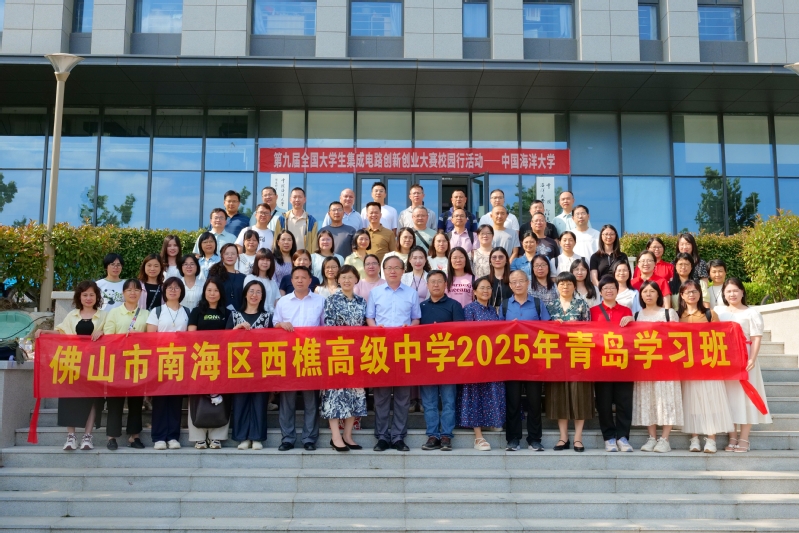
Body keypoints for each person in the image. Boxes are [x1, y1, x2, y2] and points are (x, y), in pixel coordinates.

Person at [37, 280, 105, 451]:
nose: (88, 298)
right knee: (69, 398)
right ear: (79, 297)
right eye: (85, 295)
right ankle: (71, 436)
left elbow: (112, 334)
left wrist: (103, 332)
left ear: (97, 297)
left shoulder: (104, 316)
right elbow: (62, 332)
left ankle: (88, 436)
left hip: (94, 364)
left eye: (91, 294)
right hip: (72, 363)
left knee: (92, 399)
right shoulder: (72, 315)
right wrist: (45, 332)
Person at [366, 255, 422, 452]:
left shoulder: (411, 293)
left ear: (403, 271)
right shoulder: (375, 292)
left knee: (402, 396)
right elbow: (369, 317)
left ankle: (398, 436)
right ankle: (382, 436)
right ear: (384, 270)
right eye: (389, 267)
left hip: (403, 349)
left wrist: (410, 328)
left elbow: (416, 318)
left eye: (396, 267)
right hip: (381, 349)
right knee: (381, 396)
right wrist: (375, 329)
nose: (392, 271)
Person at [677, 279, 733, 453]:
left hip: (709, 363)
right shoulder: (677, 316)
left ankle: (711, 439)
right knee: (692, 401)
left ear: (700, 294)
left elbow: (720, 338)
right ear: (681, 295)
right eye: (687, 292)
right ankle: (694, 438)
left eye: (695, 291)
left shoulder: (710, 314)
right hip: (688, 365)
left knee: (711, 400)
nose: (691, 295)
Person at [274, 266, 326, 451]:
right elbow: (274, 324)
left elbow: (325, 327)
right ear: (291, 280)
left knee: (310, 400)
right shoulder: (283, 302)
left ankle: (309, 438)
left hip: (311, 355)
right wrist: (281, 324)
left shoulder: (320, 301)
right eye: (296, 277)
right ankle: (287, 438)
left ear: (310, 280)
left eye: (304, 277)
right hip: (289, 355)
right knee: (287, 399)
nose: (300, 280)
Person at [718, 278, 773, 452]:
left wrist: (752, 359)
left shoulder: (752, 313)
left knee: (746, 396)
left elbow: (756, 338)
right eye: (728, 291)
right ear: (724, 294)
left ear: (742, 292)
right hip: (725, 359)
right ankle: (732, 436)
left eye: (735, 290)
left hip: (745, 357)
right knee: (729, 397)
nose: (732, 294)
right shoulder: (719, 312)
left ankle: (744, 438)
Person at [501, 269, 550, 451]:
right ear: (510, 285)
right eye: (514, 282)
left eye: (521, 280)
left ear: (528, 283)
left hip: (533, 361)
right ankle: (513, 439)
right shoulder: (505, 305)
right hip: (511, 361)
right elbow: (498, 332)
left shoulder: (537, 303)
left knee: (534, 402)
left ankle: (534, 439)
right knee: (513, 402)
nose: (518, 284)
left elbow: (548, 328)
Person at [545, 271, 593, 452]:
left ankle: (578, 438)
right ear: (557, 286)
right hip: (556, 358)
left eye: (569, 283)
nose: (565, 287)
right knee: (559, 396)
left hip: (578, 356)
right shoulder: (550, 306)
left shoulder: (582, 304)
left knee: (579, 395)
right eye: (561, 284)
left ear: (574, 285)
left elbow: (590, 331)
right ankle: (563, 437)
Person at [322, 265, 368, 451]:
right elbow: (328, 327)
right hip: (338, 353)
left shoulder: (361, 301)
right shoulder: (331, 300)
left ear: (356, 279)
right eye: (343, 277)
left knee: (355, 394)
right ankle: (335, 437)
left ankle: (348, 435)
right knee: (335, 394)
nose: (347, 280)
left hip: (357, 354)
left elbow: (365, 326)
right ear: (338, 280)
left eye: (350, 277)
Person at [633, 281, 682, 453]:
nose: (648, 294)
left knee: (666, 400)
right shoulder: (637, 315)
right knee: (648, 400)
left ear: (658, 294)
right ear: (641, 295)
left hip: (666, 364)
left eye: (652, 291)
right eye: (645, 291)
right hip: (645, 364)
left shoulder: (668, 313)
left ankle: (665, 439)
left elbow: (677, 339)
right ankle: (652, 437)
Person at [458, 277, 506, 451]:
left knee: (492, 390)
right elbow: (467, 335)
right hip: (475, 360)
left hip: (492, 360)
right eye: (482, 288)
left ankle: (493, 421)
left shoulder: (494, 310)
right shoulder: (469, 309)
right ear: (474, 291)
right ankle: (478, 436)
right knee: (475, 395)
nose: (486, 291)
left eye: (488, 288)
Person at [419, 270, 465, 452]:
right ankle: (432, 435)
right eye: (432, 282)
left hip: (449, 361)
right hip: (426, 362)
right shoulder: (421, 307)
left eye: (439, 281)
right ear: (427, 285)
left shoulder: (454, 305)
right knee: (429, 401)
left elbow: (461, 333)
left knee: (448, 401)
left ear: (446, 285)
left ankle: (446, 435)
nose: (436, 285)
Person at [102, 278, 149, 450]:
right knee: (115, 401)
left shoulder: (146, 314)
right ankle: (112, 437)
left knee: (136, 402)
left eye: (136, 290)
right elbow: (108, 336)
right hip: (117, 363)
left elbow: (151, 338)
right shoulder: (114, 313)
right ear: (123, 293)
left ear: (141, 293)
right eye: (129, 290)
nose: (133, 293)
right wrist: (124, 339)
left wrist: (140, 338)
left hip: (138, 362)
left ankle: (134, 436)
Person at [591, 276, 635, 452]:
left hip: (624, 364)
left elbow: (633, 335)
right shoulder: (593, 311)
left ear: (617, 290)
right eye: (605, 288)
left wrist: (632, 322)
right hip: (601, 364)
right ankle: (609, 437)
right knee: (604, 402)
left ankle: (623, 437)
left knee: (625, 402)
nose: (609, 291)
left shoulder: (626, 310)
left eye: (612, 288)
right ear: (600, 292)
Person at [145, 277, 190, 450]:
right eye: (169, 287)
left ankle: (173, 436)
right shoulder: (157, 311)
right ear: (164, 291)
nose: (173, 290)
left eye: (176, 287)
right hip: (160, 361)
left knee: (175, 400)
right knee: (160, 400)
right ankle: (159, 437)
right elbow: (150, 339)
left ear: (181, 291)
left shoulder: (187, 311)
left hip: (180, 362)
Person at [228, 280, 273, 450]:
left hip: (260, 366)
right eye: (251, 291)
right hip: (239, 367)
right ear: (245, 294)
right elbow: (223, 341)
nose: (254, 295)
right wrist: (236, 330)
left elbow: (273, 342)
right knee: (240, 402)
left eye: (258, 292)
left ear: (262, 297)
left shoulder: (267, 317)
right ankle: (242, 437)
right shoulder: (234, 316)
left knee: (259, 402)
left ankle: (257, 437)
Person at [187, 277, 230, 449]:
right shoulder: (196, 311)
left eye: (216, 290)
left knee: (220, 397)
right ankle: (198, 437)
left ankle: (217, 437)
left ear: (221, 293)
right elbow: (191, 336)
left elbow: (229, 337)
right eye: (209, 290)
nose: (212, 293)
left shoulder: (227, 313)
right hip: (199, 360)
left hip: (221, 362)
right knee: (197, 397)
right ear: (204, 292)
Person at [208, 243, 246, 310]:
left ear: (237, 256)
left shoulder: (243, 277)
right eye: (226, 254)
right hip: (218, 313)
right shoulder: (215, 273)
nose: (230, 256)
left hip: (239, 314)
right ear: (222, 256)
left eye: (233, 254)